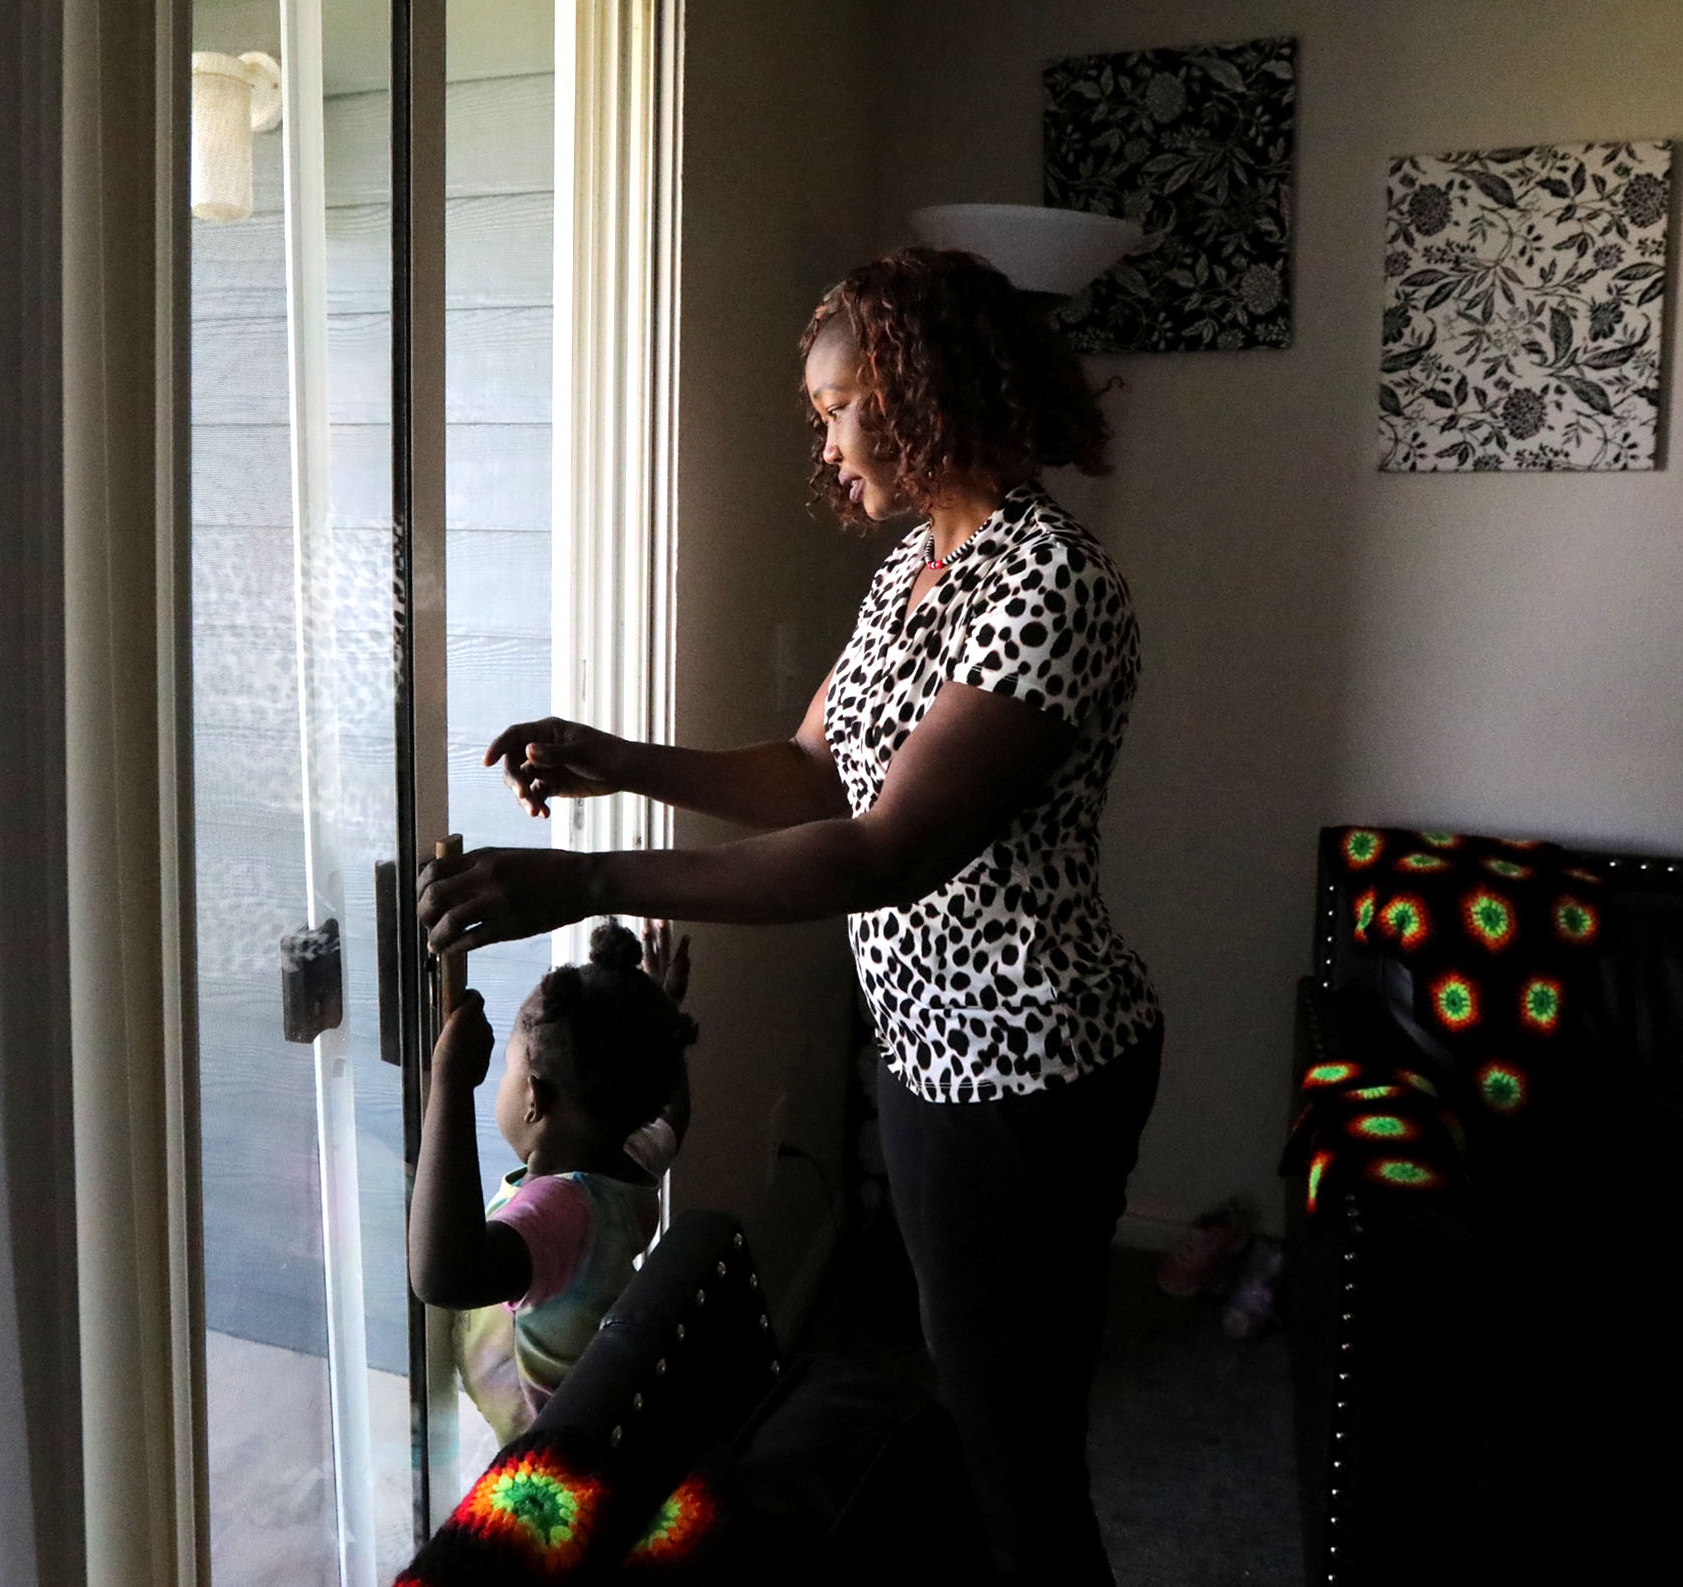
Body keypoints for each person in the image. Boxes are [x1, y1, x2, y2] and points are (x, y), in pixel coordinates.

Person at [418, 246, 1160, 1586]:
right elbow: (815, 772)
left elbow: (881, 850)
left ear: (917, 393)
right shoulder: (919, 566)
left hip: (1026, 1073)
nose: (824, 446)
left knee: (1015, 1449)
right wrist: (617, 759)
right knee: (977, 1403)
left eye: (836, 409)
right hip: (930, 1053)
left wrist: (587, 883)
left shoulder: (1050, 585)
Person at [410, 921, 699, 1443]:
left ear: (533, 1099)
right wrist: (661, 1019)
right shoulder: (627, 1167)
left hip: (549, 1462)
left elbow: (444, 1277)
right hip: (608, 1426)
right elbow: (673, 1118)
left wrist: (450, 1080)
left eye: (506, 1070)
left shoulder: (557, 1215)